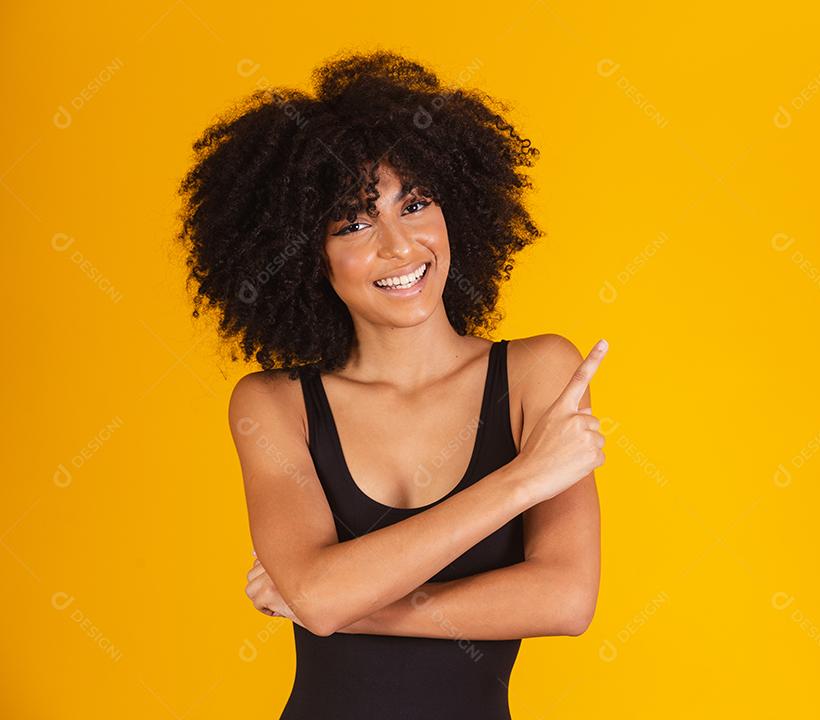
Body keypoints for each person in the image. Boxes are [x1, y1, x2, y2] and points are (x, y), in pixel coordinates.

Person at [175, 49, 605, 719]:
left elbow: (564, 600)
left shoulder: (536, 372)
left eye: (415, 204)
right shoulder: (274, 403)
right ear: (304, 254)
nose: (399, 246)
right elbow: (316, 596)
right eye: (353, 222)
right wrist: (522, 481)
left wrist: (349, 608)